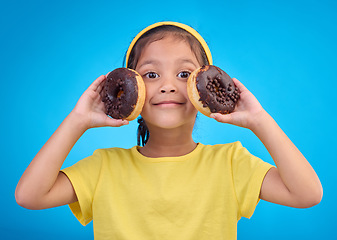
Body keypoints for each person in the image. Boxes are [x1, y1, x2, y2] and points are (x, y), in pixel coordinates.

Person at [15, 22, 323, 239]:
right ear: (129, 89)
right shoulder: (103, 166)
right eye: (151, 74)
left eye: (184, 73)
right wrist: (77, 120)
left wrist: (259, 119)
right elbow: (29, 196)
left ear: (204, 87)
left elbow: (307, 194)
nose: (167, 85)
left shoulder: (230, 163)